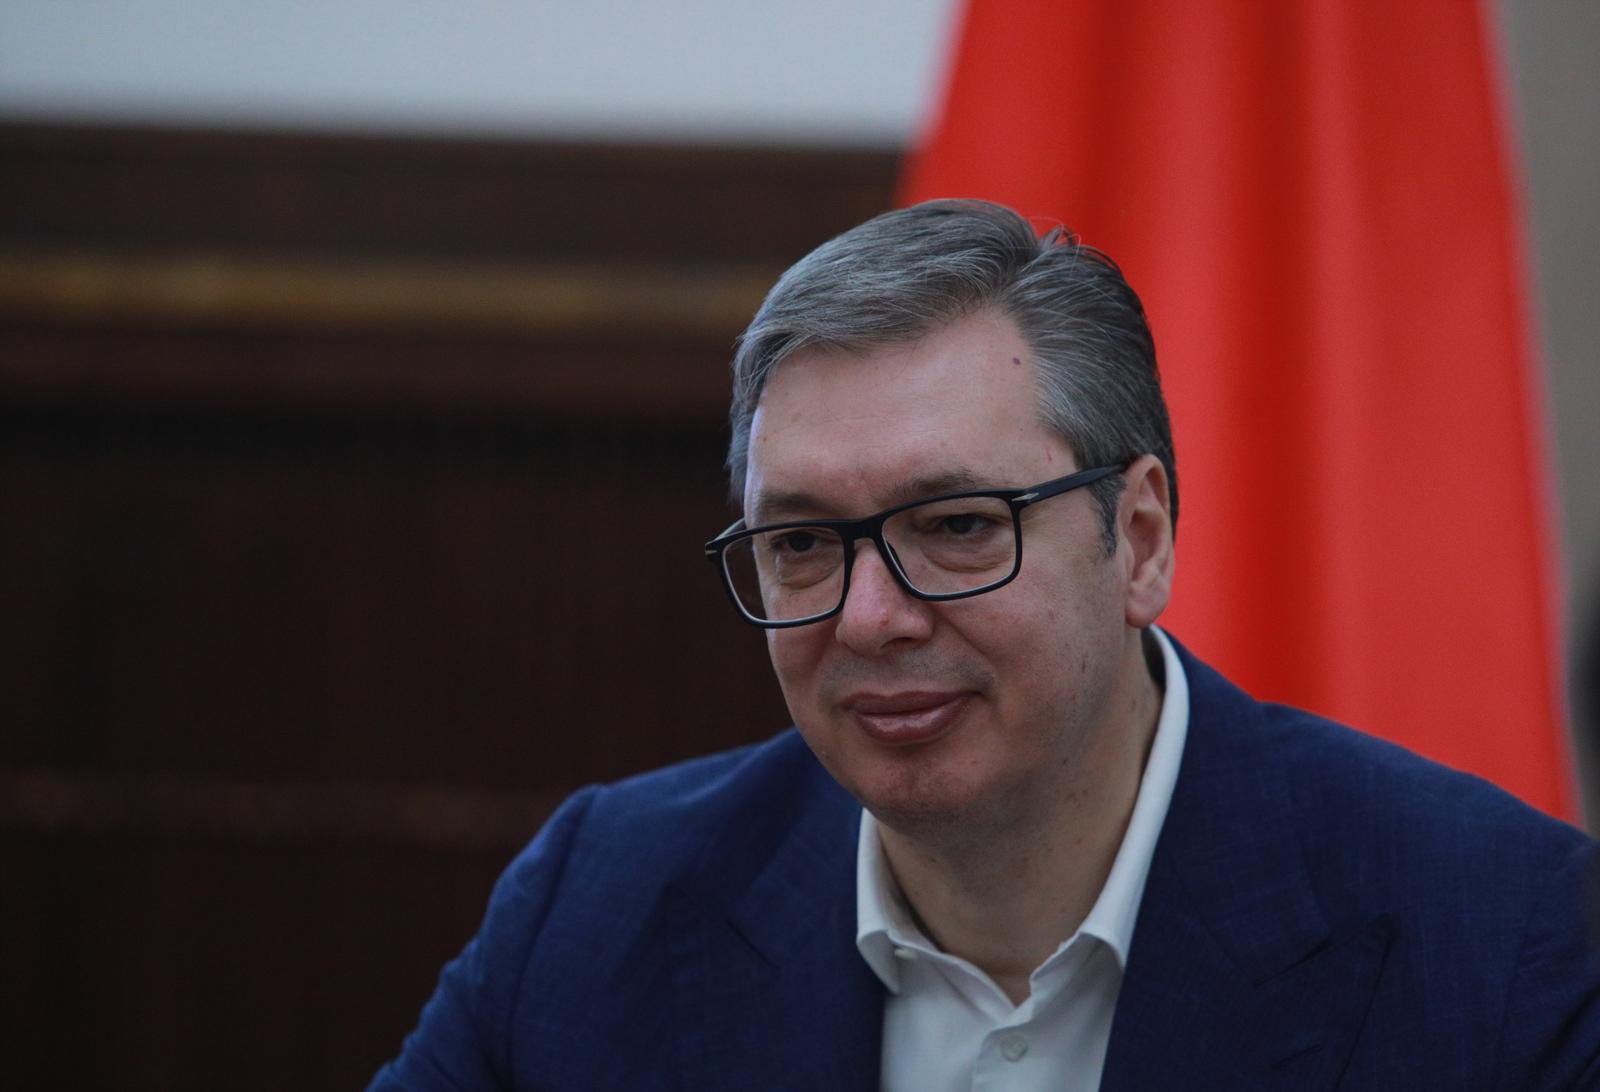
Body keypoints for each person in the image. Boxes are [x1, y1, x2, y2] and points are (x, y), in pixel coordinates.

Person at [369, 200, 1600, 1091]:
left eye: (956, 526)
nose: (865, 618)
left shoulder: (1505, 941)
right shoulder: (599, 907)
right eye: (802, 545)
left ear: (1140, 539)